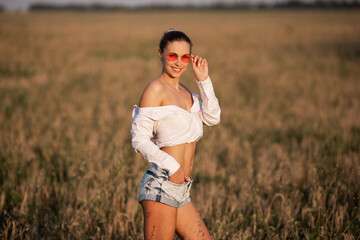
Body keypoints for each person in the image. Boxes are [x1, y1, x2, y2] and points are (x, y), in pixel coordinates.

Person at [131, 29, 221, 240]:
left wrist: (204, 80)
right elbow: (139, 139)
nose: (178, 62)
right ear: (160, 53)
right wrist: (173, 168)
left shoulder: (187, 92)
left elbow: (213, 118)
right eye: (172, 56)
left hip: (181, 189)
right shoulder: (155, 89)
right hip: (162, 184)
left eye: (185, 57)